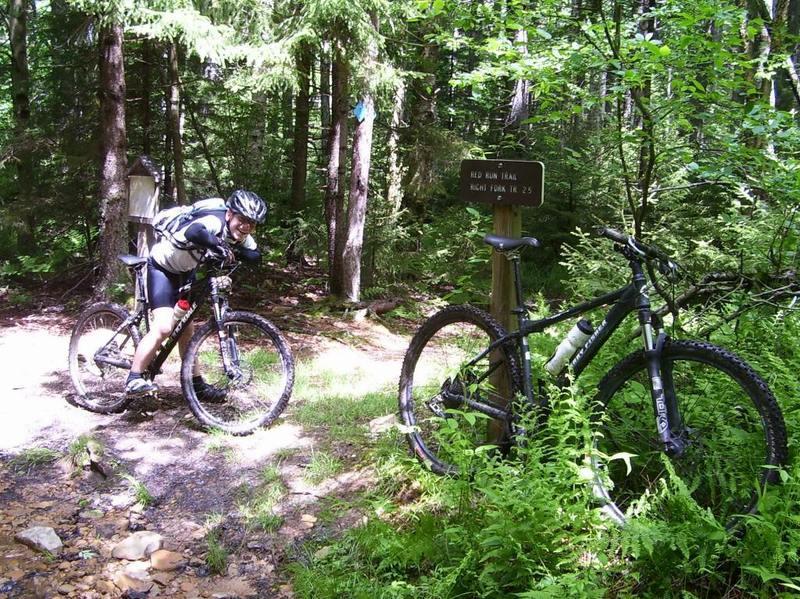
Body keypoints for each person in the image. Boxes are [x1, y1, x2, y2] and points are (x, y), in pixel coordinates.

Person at [125, 189, 267, 397]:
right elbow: (194, 232)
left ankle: (196, 384)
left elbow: (255, 256)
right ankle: (134, 378)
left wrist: (235, 252)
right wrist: (217, 244)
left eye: (252, 223)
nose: (246, 226)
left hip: (186, 273)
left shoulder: (240, 235)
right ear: (229, 214)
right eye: (242, 219)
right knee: (164, 327)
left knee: (186, 330)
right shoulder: (214, 221)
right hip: (162, 269)